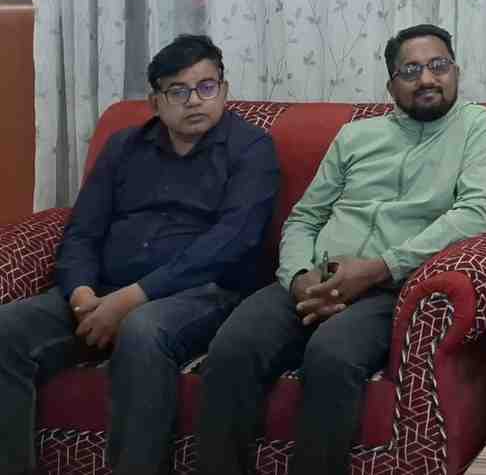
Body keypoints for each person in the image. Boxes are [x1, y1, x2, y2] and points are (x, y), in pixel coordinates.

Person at [197, 23, 486, 475]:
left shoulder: (478, 125)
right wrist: (299, 278)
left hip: (389, 287)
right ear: (391, 86)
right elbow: (305, 217)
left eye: (438, 66)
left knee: (331, 356)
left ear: (455, 71)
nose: (426, 79)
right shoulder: (355, 136)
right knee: (231, 349)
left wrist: (379, 267)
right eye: (410, 70)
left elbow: (478, 212)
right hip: (315, 277)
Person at [0, 34, 279, 475]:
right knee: (6, 329)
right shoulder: (123, 147)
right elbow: (82, 232)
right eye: (178, 91)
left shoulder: (251, 148)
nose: (195, 100)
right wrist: (82, 296)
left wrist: (132, 298)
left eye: (207, 87)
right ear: (155, 102)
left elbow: (232, 242)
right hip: (102, 289)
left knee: (142, 330)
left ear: (224, 90)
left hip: (203, 292)